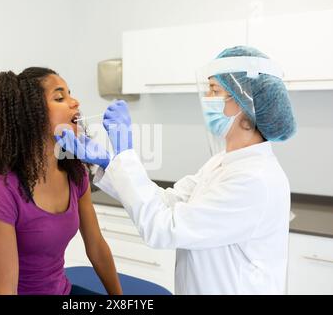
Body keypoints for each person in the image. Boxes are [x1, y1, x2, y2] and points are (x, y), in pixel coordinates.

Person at [55, 46, 297, 294]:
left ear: (246, 103)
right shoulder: (224, 162)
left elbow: (163, 227)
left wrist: (125, 154)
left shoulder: (254, 181)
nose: (206, 99)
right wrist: (108, 162)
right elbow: (167, 201)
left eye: (214, 90)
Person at [0, 67, 122, 295]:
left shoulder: (75, 173)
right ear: (32, 114)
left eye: (70, 94)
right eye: (60, 97)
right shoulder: (0, 191)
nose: (75, 102)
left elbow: (97, 247)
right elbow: (5, 290)